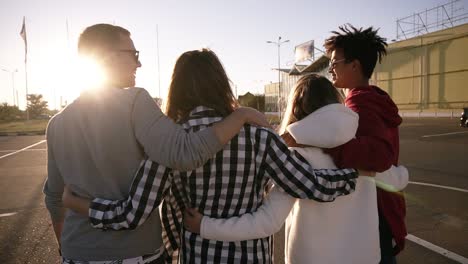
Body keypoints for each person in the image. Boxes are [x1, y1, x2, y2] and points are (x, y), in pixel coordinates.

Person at [62, 49, 361, 264]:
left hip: (198, 254)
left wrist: (79, 203)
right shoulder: (258, 135)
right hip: (251, 255)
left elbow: (132, 214)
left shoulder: (169, 142)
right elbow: (312, 185)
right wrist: (354, 174)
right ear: (221, 84)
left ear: (176, 89)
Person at [43, 24, 270, 264]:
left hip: (75, 252)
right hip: (135, 253)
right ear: (107, 57)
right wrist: (240, 115)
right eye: (133, 54)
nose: (138, 64)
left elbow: (55, 198)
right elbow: (185, 153)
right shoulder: (134, 102)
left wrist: (67, 248)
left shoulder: (57, 124)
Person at [182, 74, 409, 264]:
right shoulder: (363, 156)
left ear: (296, 109)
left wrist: (205, 226)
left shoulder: (296, 158)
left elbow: (267, 222)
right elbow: (399, 179)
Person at [323, 24, 407, 264]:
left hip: (374, 212)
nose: (331, 69)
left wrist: (329, 145)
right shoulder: (373, 99)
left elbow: (380, 155)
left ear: (354, 65)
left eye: (334, 62)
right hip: (383, 208)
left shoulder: (360, 104)